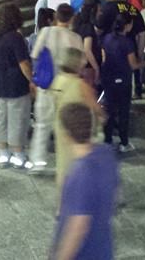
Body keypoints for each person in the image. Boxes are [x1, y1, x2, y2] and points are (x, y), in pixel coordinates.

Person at [51, 103, 119, 260]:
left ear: (66, 135)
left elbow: (78, 226)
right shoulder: (106, 153)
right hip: (103, 246)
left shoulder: (80, 173)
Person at [30, 4, 83, 170]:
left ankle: (37, 162)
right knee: (66, 126)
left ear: (56, 17)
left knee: (42, 125)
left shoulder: (45, 32)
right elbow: (80, 63)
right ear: (71, 18)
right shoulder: (75, 38)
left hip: (46, 86)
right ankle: (67, 162)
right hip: (66, 87)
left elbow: (35, 55)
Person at [0, 4, 35, 170]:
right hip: (16, 84)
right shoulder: (16, 37)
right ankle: (19, 155)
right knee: (18, 120)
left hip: (1, 83)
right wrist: (32, 80)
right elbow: (23, 63)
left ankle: (3, 154)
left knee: (2, 119)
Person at [52, 47, 103, 191]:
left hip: (61, 125)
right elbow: (95, 107)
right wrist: (102, 117)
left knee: (63, 164)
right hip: (79, 128)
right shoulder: (81, 85)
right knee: (81, 163)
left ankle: (63, 196)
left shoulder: (57, 80)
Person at [101, 14, 145, 152]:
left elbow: (104, 58)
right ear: (127, 26)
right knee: (123, 112)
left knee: (109, 110)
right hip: (123, 80)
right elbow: (133, 64)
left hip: (108, 78)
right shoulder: (127, 42)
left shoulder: (107, 38)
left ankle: (107, 140)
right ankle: (124, 142)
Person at [96, 0, 145, 98]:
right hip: (130, 51)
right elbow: (142, 35)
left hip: (109, 52)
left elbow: (98, 29)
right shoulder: (134, 9)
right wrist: (139, 55)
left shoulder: (107, 7)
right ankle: (134, 94)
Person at [73, 0, 102, 88]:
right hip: (88, 68)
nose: (100, 13)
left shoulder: (78, 25)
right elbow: (87, 50)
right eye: (99, 10)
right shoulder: (88, 27)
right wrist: (96, 68)